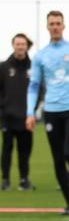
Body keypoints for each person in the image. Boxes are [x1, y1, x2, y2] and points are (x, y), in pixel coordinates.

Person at [26, 10, 69, 215]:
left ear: (63, 26)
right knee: (57, 158)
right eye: (51, 23)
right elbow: (34, 85)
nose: (55, 26)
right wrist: (30, 112)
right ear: (47, 27)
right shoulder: (40, 56)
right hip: (51, 111)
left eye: (58, 23)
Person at [0, 34, 38, 191]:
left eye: (23, 44)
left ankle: (24, 180)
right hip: (7, 117)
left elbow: (39, 89)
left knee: (25, 151)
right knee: (7, 149)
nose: (20, 47)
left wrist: (33, 110)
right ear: (13, 45)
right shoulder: (3, 67)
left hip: (26, 118)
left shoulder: (34, 67)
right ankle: (5, 180)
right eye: (18, 44)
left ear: (27, 46)